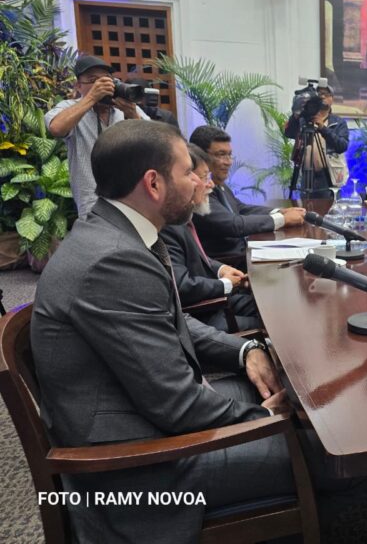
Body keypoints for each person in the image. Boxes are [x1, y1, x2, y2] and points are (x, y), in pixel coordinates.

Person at [30, 120, 291, 543]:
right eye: (189, 172)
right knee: (318, 450)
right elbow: (177, 406)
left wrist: (244, 352)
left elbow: (171, 321)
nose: (199, 182)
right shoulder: (113, 261)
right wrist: (268, 418)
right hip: (138, 471)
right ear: (153, 183)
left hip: (139, 416)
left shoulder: (116, 232)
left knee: (274, 394)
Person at [161, 144, 261, 332]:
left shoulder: (184, 218)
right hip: (205, 317)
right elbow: (182, 287)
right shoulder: (169, 226)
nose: (211, 184)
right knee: (274, 324)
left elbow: (198, 259)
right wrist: (225, 284)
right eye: (205, 177)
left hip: (219, 300)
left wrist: (222, 269)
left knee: (273, 305)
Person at [45, 54, 149, 217]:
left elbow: (154, 143)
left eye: (107, 79)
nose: (102, 85)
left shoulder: (124, 107)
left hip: (131, 199)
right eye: (93, 80)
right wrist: (92, 98)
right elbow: (56, 128)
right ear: (78, 86)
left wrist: (133, 114)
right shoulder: (71, 107)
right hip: (93, 203)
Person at [189, 126, 306, 260]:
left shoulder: (218, 184)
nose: (228, 162)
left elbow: (240, 208)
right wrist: (282, 219)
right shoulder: (199, 193)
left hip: (243, 254)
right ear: (201, 157)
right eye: (221, 155)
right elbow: (234, 224)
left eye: (229, 155)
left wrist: (280, 212)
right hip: (229, 262)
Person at [284, 90, 350, 198]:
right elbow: (289, 133)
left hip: (328, 174)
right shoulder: (303, 120)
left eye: (327, 94)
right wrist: (296, 114)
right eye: (320, 94)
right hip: (306, 174)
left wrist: (323, 128)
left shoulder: (338, 122)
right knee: (305, 206)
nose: (323, 96)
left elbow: (342, 146)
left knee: (329, 206)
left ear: (332, 98)